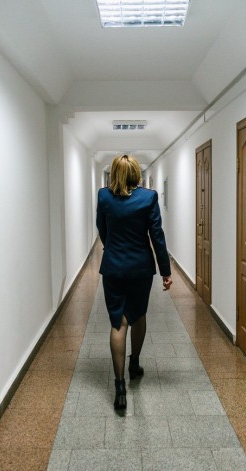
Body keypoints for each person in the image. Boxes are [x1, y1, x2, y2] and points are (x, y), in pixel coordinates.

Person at [96, 154, 173, 411]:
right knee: (138, 315)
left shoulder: (104, 196)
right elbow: (157, 235)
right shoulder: (148, 198)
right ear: (136, 174)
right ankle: (135, 363)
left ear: (115, 173)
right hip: (140, 268)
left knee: (118, 322)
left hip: (113, 268)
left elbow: (102, 229)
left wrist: (112, 249)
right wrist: (165, 270)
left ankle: (119, 388)